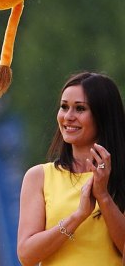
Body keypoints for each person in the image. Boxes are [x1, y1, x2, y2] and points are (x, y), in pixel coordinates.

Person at [17, 72, 125, 265]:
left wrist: (103, 196)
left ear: (103, 115)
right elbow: (27, 255)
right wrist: (77, 216)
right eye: (64, 107)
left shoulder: (120, 176)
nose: (68, 117)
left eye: (80, 108)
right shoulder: (39, 177)